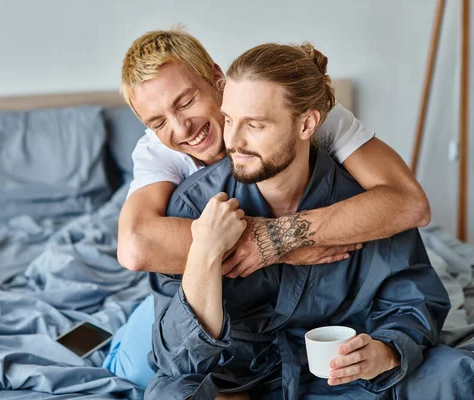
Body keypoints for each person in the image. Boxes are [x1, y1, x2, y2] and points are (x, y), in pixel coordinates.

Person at [103, 28, 431, 387]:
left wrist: (285, 234)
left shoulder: (306, 114)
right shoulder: (159, 153)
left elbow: (409, 204)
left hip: (297, 313)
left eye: (185, 102)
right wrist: (263, 243)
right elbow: (135, 247)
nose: (182, 127)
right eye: (159, 121)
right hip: (189, 285)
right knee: (140, 368)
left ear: (218, 80)